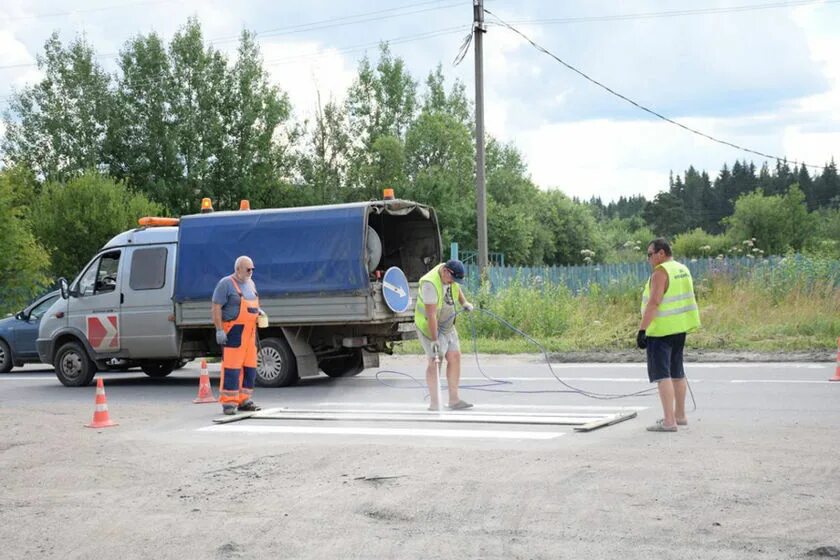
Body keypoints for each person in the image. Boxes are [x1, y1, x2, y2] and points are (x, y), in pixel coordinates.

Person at [637, 238, 701, 432]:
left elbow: (654, 302)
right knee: (677, 373)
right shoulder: (683, 269)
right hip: (680, 328)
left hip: (661, 331)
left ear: (661, 253)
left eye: (650, 254)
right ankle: (680, 416)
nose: (648, 259)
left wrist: (642, 329)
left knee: (662, 375)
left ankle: (668, 421)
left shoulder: (660, 272)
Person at [414, 259, 475, 411]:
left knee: (455, 356)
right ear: (446, 271)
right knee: (436, 360)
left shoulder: (450, 277)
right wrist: (435, 340)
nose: (454, 282)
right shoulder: (430, 284)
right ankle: (435, 403)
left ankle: (454, 400)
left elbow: (456, 288)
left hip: (447, 324)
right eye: (453, 279)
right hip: (430, 326)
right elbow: (431, 316)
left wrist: (464, 303)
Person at [212, 256, 263, 415]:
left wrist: (260, 312)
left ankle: (244, 400)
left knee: (250, 369)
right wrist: (219, 329)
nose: (251, 272)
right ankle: (229, 403)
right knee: (232, 369)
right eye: (248, 269)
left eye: (252, 269)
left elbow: (254, 303)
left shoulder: (251, 283)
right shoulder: (226, 284)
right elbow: (216, 307)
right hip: (234, 332)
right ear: (238, 269)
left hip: (250, 333)